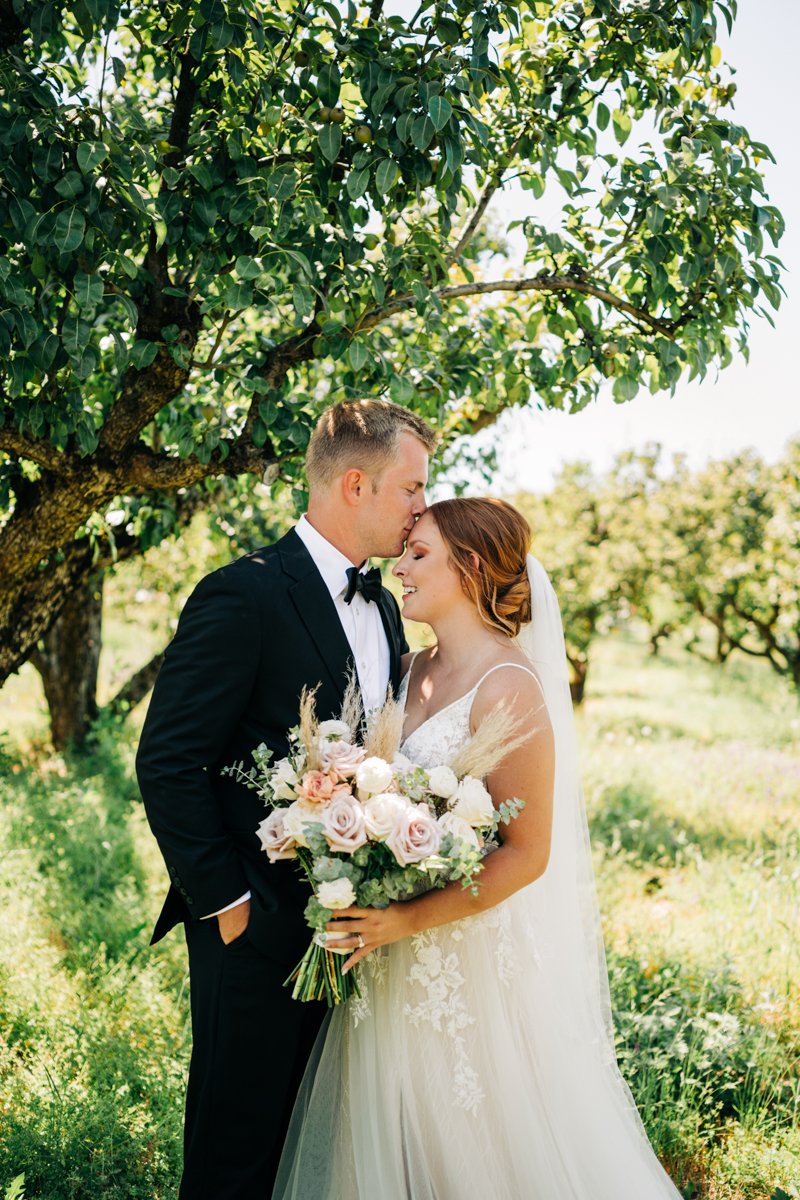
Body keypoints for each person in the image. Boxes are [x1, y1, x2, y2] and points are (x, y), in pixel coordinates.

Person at [272, 497, 683, 1200]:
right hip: (386, 959)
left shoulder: (510, 688)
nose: (398, 567)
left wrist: (403, 919)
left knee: (477, 1151)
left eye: (418, 554)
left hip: (460, 962)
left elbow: (528, 852)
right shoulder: (408, 669)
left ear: (469, 567)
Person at [135, 399, 437, 1200]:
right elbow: (168, 761)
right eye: (411, 489)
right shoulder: (243, 594)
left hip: (357, 936)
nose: (421, 508)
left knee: (320, 1151)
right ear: (354, 484)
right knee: (238, 1151)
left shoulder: (383, 608)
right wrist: (230, 905)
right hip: (256, 930)